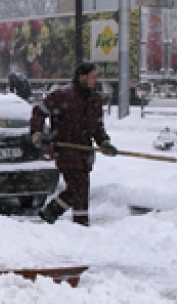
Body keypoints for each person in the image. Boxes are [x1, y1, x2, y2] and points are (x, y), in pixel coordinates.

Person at [30, 61, 118, 226]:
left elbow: (97, 126)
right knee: (80, 189)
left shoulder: (95, 99)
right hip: (66, 149)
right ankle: (80, 224)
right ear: (82, 77)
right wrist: (37, 133)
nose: (96, 80)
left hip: (85, 152)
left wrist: (104, 142)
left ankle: (51, 212)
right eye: (93, 77)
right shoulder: (62, 96)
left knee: (77, 189)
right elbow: (39, 112)